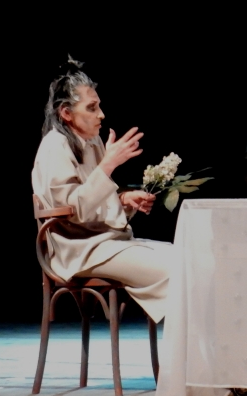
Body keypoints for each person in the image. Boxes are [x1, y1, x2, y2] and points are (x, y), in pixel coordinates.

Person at [31, 60, 172, 324]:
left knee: (188, 258)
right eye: (92, 108)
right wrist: (108, 165)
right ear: (66, 113)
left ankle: (193, 346)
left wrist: (124, 201)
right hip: (78, 251)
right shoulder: (55, 146)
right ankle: (185, 349)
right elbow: (73, 211)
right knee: (177, 269)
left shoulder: (92, 142)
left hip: (106, 243)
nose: (101, 115)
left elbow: (93, 201)